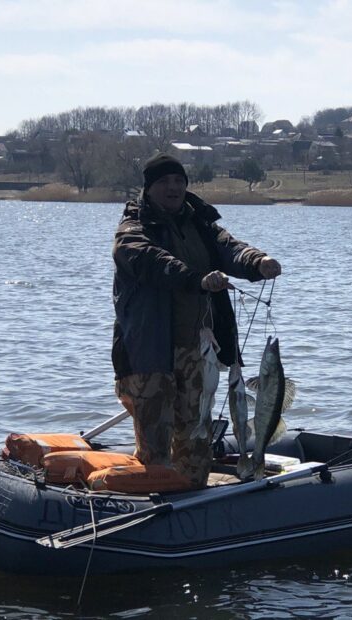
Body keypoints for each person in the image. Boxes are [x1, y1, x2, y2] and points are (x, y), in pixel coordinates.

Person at [111, 153, 281, 488]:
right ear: (148, 188)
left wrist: (257, 262)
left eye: (179, 181)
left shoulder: (199, 223)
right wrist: (197, 279)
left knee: (196, 438)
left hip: (196, 350)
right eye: (164, 182)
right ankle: (153, 500)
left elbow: (229, 247)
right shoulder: (132, 231)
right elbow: (152, 261)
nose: (173, 187)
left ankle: (194, 496)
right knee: (155, 446)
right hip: (148, 355)